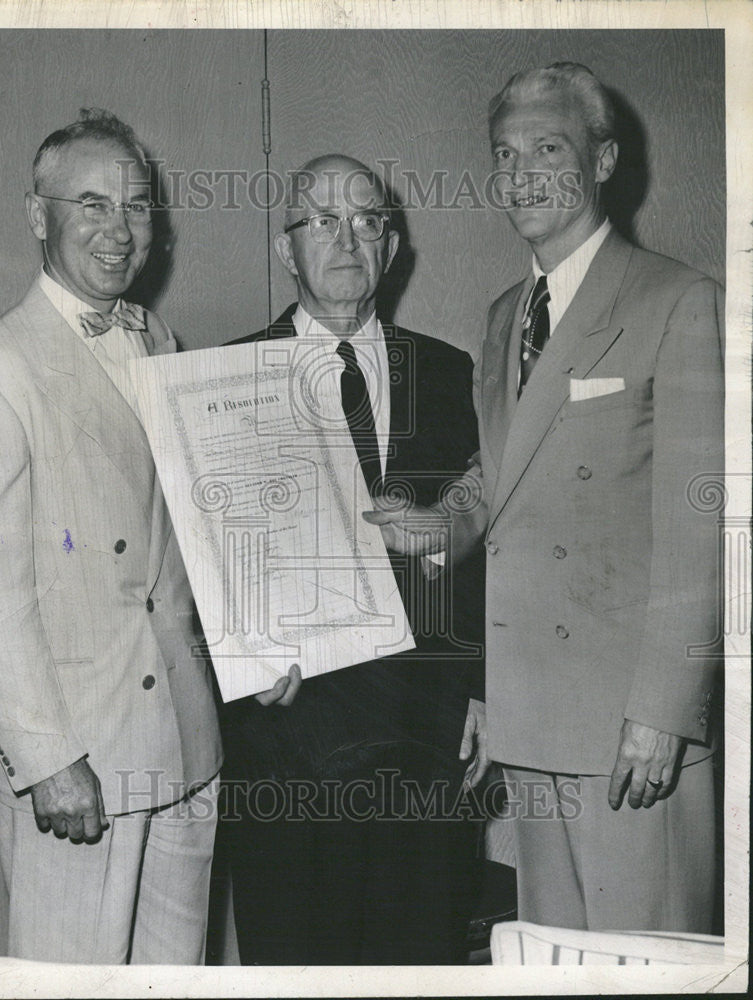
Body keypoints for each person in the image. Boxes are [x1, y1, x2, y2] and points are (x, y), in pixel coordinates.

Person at [367, 63, 724, 933]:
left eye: (547, 149)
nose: (520, 172)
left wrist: (664, 711)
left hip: (626, 725)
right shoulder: (503, 316)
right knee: (556, 958)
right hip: (529, 715)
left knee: (644, 967)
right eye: (503, 153)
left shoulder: (675, 301)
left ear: (603, 162)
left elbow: (701, 520)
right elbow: (506, 470)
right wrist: (441, 521)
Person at [0, 109, 225, 964]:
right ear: (39, 217)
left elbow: (178, 548)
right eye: (92, 204)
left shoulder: (159, 340)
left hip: (183, 744)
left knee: (171, 982)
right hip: (80, 759)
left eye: (136, 207)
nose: (119, 231)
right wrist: (47, 760)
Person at [219, 154, 486, 964]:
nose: (346, 240)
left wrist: (480, 689)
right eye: (321, 222)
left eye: (367, 220)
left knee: (422, 961)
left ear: (392, 247)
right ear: (285, 250)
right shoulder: (223, 381)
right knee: (295, 966)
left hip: (424, 738)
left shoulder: (448, 373)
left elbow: (482, 538)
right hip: (285, 744)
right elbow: (203, 557)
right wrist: (245, 655)